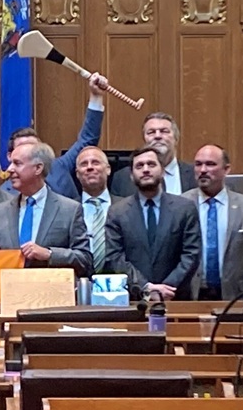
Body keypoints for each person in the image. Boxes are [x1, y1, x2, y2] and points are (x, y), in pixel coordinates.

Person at [103, 146, 201, 301]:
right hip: (135, 299)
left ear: (162, 171)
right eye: (139, 166)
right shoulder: (117, 212)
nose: (146, 170)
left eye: (151, 164)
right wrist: (145, 287)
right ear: (131, 175)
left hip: (176, 298)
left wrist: (166, 288)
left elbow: (191, 254)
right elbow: (115, 256)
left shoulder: (185, 208)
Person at [0, 143, 91, 277]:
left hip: (52, 292)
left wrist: (49, 254)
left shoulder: (69, 210)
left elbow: (85, 260)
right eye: (11, 163)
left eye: (17, 163)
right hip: (8, 292)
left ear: (38, 168)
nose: (10, 169)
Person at [0, 72, 108, 199]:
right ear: (9, 156)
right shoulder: (4, 194)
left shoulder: (58, 167)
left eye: (35, 149)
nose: (31, 153)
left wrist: (96, 97)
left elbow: (88, 139)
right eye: (23, 149)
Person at [183, 144, 243, 301]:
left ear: (226, 169)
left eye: (210, 164)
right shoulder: (181, 204)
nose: (202, 170)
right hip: (190, 293)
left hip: (234, 295)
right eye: (198, 164)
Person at [109, 113, 195, 197]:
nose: (157, 136)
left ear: (176, 138)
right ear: (144, 140)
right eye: (151, 132)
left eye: (164, 131)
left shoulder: (195, 174)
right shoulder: (122, 177)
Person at [74, 147, 117, 275]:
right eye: (84, 164)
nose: (89, 167)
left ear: (108, 169)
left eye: (95, 162)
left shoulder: (127, 208)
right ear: (77, 173)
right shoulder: (66, 210)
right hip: (79, 281)